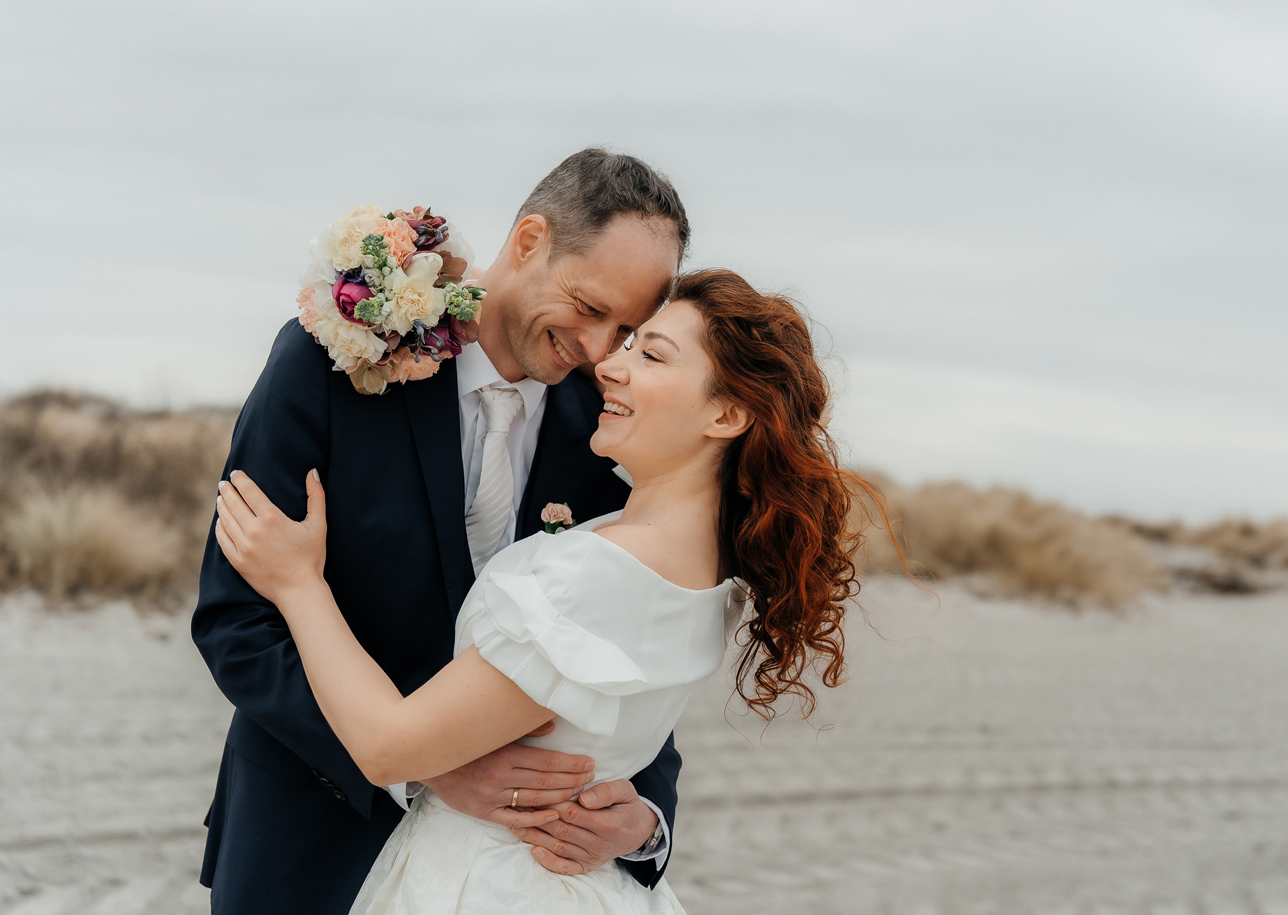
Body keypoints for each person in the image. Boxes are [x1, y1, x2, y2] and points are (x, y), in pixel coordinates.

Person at [213, 269, 872, 913]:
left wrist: (298, 583)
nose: (609, 364)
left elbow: (388, 747)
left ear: (726, 413)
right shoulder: (696, 561)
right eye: (625, 342)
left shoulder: (610, 566)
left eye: (649, 353)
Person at [193, 149, 691, 914]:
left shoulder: (608, 433)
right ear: (530, 241)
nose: (598, 350)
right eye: (589, 307)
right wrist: (420, 763)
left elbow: (630, 648)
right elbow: (236, 623)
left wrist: (644, 820)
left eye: (626, 329)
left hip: (511, 877)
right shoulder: (328, 363)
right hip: (310, 850)